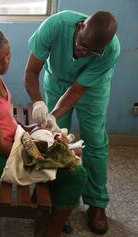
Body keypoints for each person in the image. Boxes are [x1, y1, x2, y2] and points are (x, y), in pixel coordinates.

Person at [0, 23, 87, 237]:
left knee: (60, 141)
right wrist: (46, 154)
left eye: (7, 55)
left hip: (11, 140)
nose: (5, 62)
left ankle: (47, 208)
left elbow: (3, 116)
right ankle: (52, 231)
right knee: (75, 173)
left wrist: (29, 128)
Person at [24, 10, 120, 234]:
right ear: (80, 27)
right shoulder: (56, 25)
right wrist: (39, 103)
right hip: (57, 79)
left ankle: (96, 203)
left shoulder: (110, 50)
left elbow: (77, 90)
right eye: (81, 46)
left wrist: (53, 115)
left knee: (95, 141)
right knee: (55, 138)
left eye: (92, 52)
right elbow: (31, 71)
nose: (84, 53)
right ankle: (55, 198)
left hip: (92, 88)